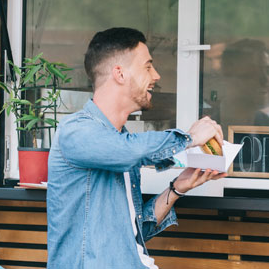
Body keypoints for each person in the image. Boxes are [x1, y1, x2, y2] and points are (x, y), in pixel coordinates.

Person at [47, 27, 226, 268]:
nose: (157, 75)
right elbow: (128, 150)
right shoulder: (76, 132)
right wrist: (189, 137)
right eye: (148, 66)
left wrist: (177, 189)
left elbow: (132, 234)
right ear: (119, 74)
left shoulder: (123, 140)